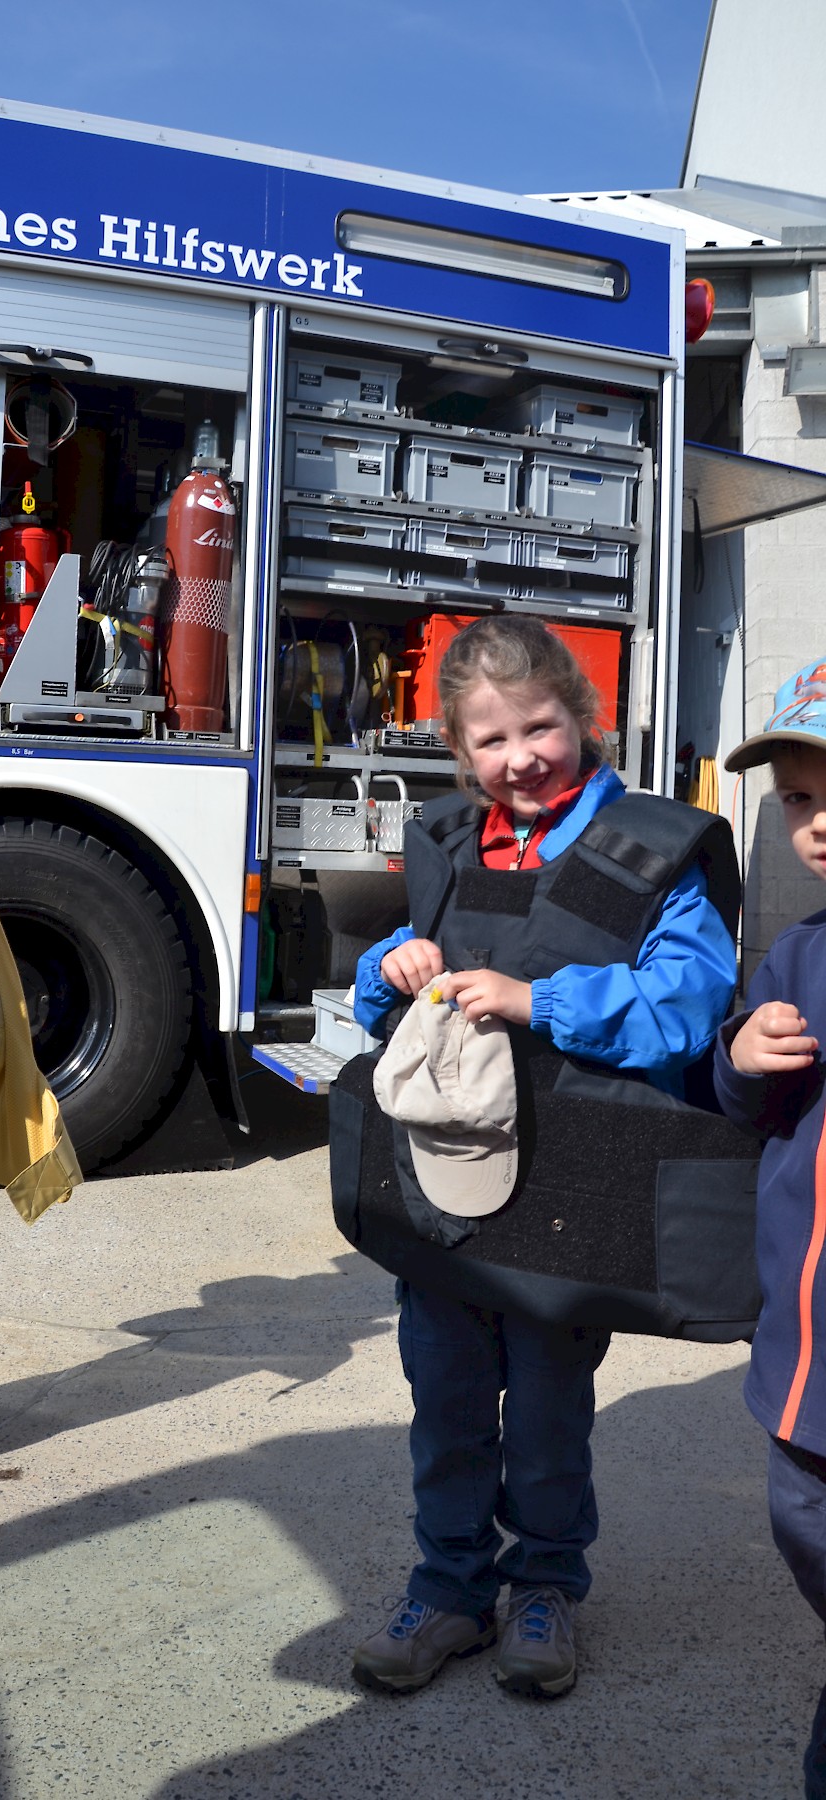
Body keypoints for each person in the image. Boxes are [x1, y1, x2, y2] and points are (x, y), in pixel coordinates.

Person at [347, 615, 738, 1699]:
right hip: (443, 1185)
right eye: (491, 741)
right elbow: (366, 994)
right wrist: (393, 962)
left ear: (583, 715)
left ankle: (548, 1589)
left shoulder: (655, 850)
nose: (521, 758)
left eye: (541, 727)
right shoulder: (447, 841)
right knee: (448, 1394)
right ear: (457, 751)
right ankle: (450, 1591)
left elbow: (690, 1002)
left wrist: (541, 1001)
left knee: (552, 1405)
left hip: (576, 1183)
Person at [712, 659, 826, 1800]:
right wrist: (741, 1057)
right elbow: (740, 1097)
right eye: (799, 799)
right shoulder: (798, 956)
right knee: (801, 1518)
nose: (819, 822)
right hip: (807, 1363)